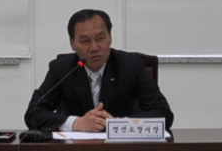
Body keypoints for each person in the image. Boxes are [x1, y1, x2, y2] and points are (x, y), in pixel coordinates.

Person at [24, 8, 172, 133]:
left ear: (110, 38)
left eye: (100, 39)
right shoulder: (62, 69)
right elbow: (33, 113)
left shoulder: (131, 66)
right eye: (85, 41)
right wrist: (77, 123)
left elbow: (164, 113)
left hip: (124, 150)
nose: (94, 47)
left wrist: (118, 125)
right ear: (72, 43)